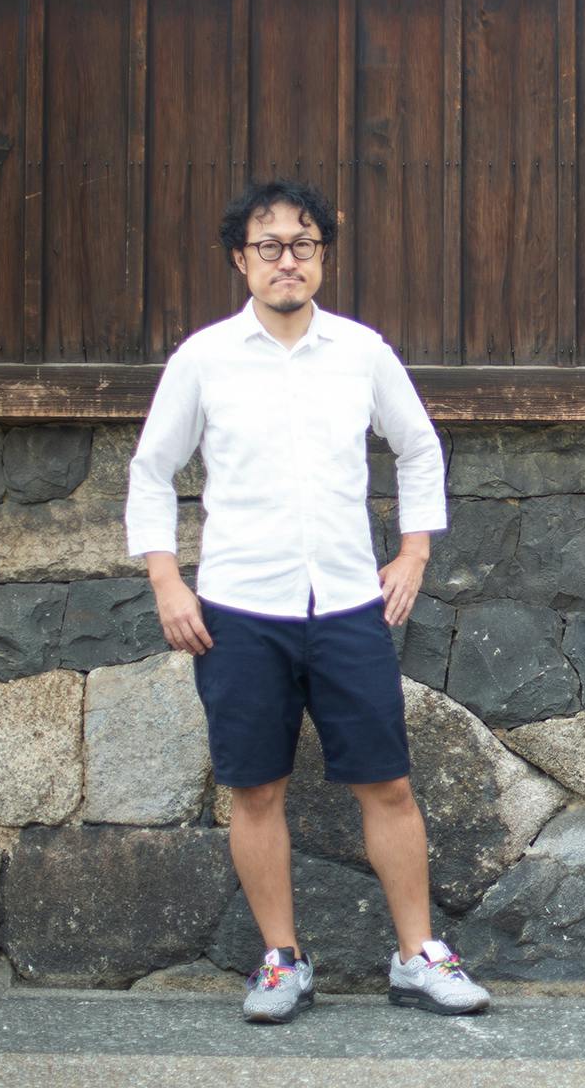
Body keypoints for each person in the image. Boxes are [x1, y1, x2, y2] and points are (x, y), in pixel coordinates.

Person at [126, 180, 489, 1024]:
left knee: (388, 784)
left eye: (303, 244)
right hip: (238, 610)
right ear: (240, 260)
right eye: (268, 245)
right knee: (256, 790)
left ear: (322, 255)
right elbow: (151, 471)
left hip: (349, 607)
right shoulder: (204, 359)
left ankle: (418, 957)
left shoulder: (361, 352)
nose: (286, 259)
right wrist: (167, 580)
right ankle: (281, 962)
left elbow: (418, 446)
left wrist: (414, 552)